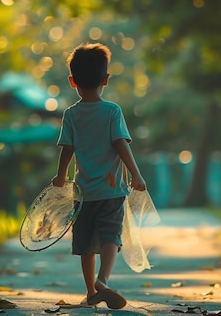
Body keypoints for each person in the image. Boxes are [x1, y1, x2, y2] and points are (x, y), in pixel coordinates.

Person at [51, 42, 147, 309]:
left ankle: (90, 291)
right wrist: (135, 174)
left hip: (83, 193)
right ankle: (103, 279)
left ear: (72, 82)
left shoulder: (71, 114)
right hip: (112, 191)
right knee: (110, 237)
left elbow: (67, 150)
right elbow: (121, 144)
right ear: (105, 79)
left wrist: (60, 177)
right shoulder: (112, 111)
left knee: (84, 244)